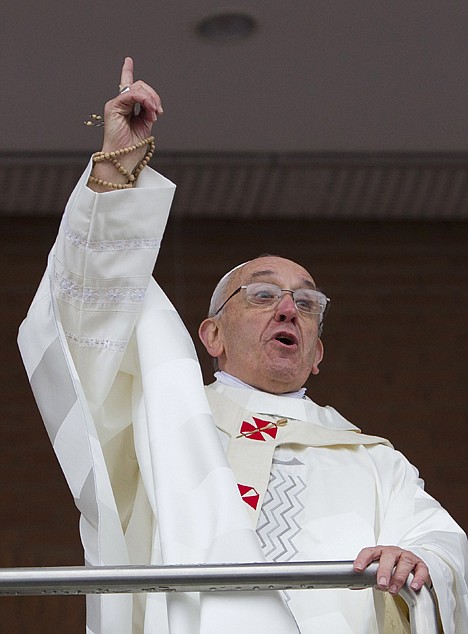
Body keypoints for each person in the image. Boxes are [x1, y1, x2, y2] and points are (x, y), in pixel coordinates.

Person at [18, 58, 468, 634]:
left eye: (307, 304)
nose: (288, 310)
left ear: (318, 353)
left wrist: (421, 559)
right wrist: (117, 174)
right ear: (211, 336)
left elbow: (440, 539)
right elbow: (91, 323)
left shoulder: (373, 461)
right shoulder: (160, 420)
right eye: (261, 295)